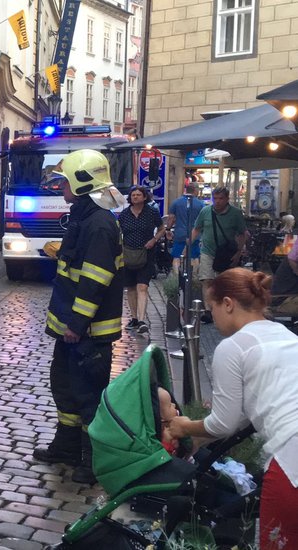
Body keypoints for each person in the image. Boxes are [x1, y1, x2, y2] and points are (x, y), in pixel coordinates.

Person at [168, 268, 298, 548]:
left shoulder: (233, 347)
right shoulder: (284, 335)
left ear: (228, 304)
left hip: (292, 463)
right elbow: (241, 416)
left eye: (212, 307)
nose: (211, 315)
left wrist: (184, 427)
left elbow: (224, 424)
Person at [33, 149, 125, 485]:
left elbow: (95, 280)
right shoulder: (85, 217)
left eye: (65, 181)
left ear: (83, 183)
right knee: (65, 389)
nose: (61, 188)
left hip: (87, 333)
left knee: (88, 397)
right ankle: (66, 448)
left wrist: (76, 324)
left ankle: (90, 461)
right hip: (73, 331)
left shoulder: (99, 224)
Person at [191, 187, 247, 323]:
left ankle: (223, 309)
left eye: (221, 198)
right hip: (207, 251)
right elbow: (197, 228)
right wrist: (188, 245)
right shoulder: (205, 211)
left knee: (223, 282)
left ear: (227, 199)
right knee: (206, 279)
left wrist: (238, 252)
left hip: (226, 253)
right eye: (215, 198)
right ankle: (208, 311)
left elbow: (242, 233)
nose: (217, 201)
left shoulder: (235, 213)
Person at [118, 186, 166, 334]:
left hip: (147, 254)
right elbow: (118, 231)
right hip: (129, 254)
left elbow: (162, 228)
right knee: (131, 287)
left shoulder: (152, 212)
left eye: (138, 195)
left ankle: (141, 319)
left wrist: (154, 240)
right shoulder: (124, 214)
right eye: (133, 195)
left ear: (145, 197)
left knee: (142, 286)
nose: (135, 197)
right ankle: (133, 318)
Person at [166, 183, 206, 274]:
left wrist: (168, 229)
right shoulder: (201, 204)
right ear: (196, 191)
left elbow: (171, 218)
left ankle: (177, 278)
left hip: (180, 234)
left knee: (177, 256)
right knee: (194, 257)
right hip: (195, 235)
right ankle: (194, 278)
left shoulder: (176, 202)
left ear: (186, 190)